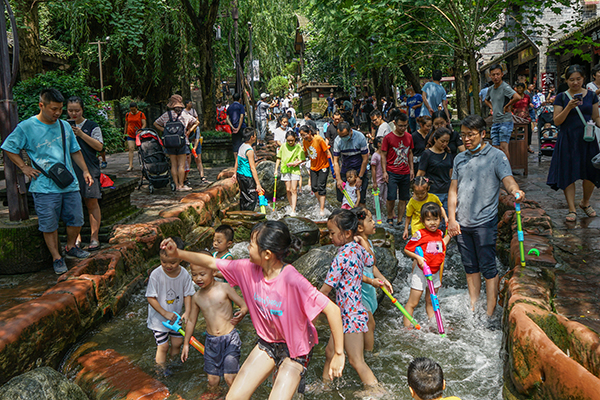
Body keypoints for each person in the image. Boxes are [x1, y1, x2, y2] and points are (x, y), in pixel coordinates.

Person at [160, 221, 345, 399]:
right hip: (267, 343)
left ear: (267, 254)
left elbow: (333, 310)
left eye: (251, 244)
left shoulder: (291, 279)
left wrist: (338, 353)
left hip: (296, 350)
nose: (248, 248)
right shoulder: (246, 269)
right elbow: (210, 263)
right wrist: (178, 253)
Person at [1, 88, 92, 274]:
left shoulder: (64, 125)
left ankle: (70, 247)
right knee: (48, 224)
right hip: (44, 186)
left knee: (76, 219)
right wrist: (24, 167)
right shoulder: (26, 127)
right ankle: (56, 257)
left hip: (69, 183)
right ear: (41, 105)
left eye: (60, 109)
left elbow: (75, 150)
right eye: (53, 109)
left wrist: (85, 171)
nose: (57, 113)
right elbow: (9, 147)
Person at [447, 115, 525, 317]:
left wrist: (515, 191)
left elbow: (508, 179)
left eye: (471, 135)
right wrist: (452, 219)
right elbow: (453, 191)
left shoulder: (497, 156)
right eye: (463, 135)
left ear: (482, 134)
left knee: (488, 266)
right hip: (461, 222)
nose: (466, 139)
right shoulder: (459, 158)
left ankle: (490, 311)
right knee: (470, 266)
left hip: (484, 221)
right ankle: (474, 306)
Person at [320, 209, 380, 391]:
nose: (330, 236)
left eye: (332, 233)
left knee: (356, 360)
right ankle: (324, 386)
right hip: (348, 312)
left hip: (350, 316)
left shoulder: (340, 257)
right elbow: (371, 261)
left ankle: (377, 392)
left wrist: (303, 304)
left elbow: (325, 290)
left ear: (346, 233)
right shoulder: (357, 249)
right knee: (330, 352)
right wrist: (362, 242)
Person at [182, 260, 248, 389]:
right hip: (211, 342)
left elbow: (244, 304)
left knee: (230, 378)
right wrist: (186, 343)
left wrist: (242, 312)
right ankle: (217, 395)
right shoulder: (196, 297)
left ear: (213, 271)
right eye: (194, 275)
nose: (198, 278)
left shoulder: (224, 288)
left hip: (230, 339)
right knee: (212, 381)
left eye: (202, 274)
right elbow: (191, 321)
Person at [547, 64, 600, 222]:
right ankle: (572, 209)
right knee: (568, 173)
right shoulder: (561, 97)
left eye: (578, 79)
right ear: (566, 80)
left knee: (591, 172)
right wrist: (568, 108)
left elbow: (596, 117)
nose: (575, 83)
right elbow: (557, 121)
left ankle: (585, 202)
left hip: (587, 139)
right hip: (568, 139)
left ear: (584, 79)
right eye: (571, 80)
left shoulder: (592, 96)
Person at [146, 237, 194, 368]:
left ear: (180, 258)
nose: (168, 266)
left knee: (177, 343)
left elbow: (188, 294)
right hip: (159, 319)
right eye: (163, 262)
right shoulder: (156, 275)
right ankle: (161, 370)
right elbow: (150, 297)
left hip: (175, 317)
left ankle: (173, 364)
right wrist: (164, 313)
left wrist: (188, 312)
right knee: (163, 346)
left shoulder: (184, 274)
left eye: (173, 262)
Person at [352, 206, 393, 351]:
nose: (374, 223)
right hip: (359, 289)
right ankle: (369, 355)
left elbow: (372, 266)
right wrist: (371, 281)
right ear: (360, 228)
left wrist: (383, 279)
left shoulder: (367, 242)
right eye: (370, 220)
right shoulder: (356, 246)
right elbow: (353, 272)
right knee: (369, 323)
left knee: (366, 323)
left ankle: (360, 351)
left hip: (368, 288)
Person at [403, 202, 451, 327]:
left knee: (431, 301)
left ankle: (434, 325)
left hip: (434, 273)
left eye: (435, 219)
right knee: (413, 302)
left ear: (440, 219)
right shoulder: (419, 234)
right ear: (422, 220)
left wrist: (450, 234)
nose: (432, 223)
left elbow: (441, 246)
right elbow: (407, 249)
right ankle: (407, 328)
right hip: (421, 272)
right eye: (428, 219)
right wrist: (418, 258)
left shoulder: (439, 234)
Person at [67, 96, 104, 252]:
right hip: (69, 170)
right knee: (73, 204)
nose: (74, 113)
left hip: (90, 168)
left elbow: (99, 147)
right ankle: (77, 238)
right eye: (70, 110)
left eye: (77, 110)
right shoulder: (63, 126)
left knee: (91, 202)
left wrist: (81, 134)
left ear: (82, 110)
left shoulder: (92, 126)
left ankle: (94, 237)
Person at [153, 94, 199, 191]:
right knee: (181, 165)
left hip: (169, 143)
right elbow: (196, 122)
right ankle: (181, 185)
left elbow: (155, 123)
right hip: (182, 142)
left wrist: (164, 130)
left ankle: (176, 184)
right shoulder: (185, 115)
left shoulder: (166, 115)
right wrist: (189, 131)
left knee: (173, 165)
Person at [381, 113, 414, 225]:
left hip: (405, 171)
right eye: (400, 125)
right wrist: (384, 171)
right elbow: (383, 155)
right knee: (391, 196)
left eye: (405, 125)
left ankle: (400, 219)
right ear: (394, 124)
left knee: (404, 197)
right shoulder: (388, 138)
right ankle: (390, 216)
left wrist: (412, 169)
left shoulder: (409, 137)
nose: (403, 128)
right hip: (392, 171)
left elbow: (410, 153)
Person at [484, 64, 521, 161]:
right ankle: (498, 171)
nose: (496, 77)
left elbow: (517, 97)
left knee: (504, 148)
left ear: (502, 74)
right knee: (495, 149)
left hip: (505, 121)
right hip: (495, 121)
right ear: (490, 76)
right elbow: (486, 100)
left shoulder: (505, 87)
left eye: (498, 74)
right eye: (493, 75)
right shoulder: (491, 89)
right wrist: (492, 108)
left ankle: (506, 172)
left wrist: (507, 106)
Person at [332, 122, 370, 207]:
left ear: (350, 131)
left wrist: (360, 177)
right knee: (343, 199)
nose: (343, 138)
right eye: (341, 136)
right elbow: (336, 161)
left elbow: (365, 159)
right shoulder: (338, 140)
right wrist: (338, 179)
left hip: (359, 169)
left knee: (361, 199)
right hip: (345, 170)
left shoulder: (360, 137)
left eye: (345, 135)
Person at [417, 128, 454, 213]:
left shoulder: (448, 154)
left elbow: (451, 173)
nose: (444, 144)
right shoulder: (427, 154)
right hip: (433, 192)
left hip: (447, 191)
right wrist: (418, 191)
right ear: (435, 139)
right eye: (442, 141)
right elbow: (420, 173)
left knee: (446, 221)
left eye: (447, 142)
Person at [300, 125, 331, 216]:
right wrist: (298, 161)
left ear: (309, 132)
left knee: (321, 187)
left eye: (304, 134)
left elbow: (327, 152)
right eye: (301, 135)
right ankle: (321, 202)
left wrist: (333, 167)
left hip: (323, 166)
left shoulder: (319, 139)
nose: (303, 137)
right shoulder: (304, 142)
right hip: (313, 167)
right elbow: (305, 153)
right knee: (314, 187)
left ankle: (321, 209)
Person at [275, 132, 305, 216]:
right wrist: (276, 169)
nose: (290, 142)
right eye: (288, 141)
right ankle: (291, 205)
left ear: (295, 139)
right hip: (285, 169)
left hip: (295, 169)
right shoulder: (283, 146)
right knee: (288, 189)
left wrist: (296, 163)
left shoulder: (298, 146)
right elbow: (278, 158)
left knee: (294, 189)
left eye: (292, 140)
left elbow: (302, 159)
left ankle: (293, 209)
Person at [234, 128, 263, 211]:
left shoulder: (242, 146)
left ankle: (243, 213)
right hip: (247, 177)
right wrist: (258, 184)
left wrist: (235, 173)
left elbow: (237, 160)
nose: (256, 136)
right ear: (252, 137)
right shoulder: (249, 150)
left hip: (240, 175)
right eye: (255, 135)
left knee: (243, 196)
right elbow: (252, 168)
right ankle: (248, 216)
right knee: (252, 199)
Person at [123, 102, 146, 171]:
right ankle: (130, 165)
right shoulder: (127, 114)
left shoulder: (141, 114)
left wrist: (141, 130)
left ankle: (143, 164)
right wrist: (125, 133)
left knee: (141, 149)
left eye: (134, 109)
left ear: (136, 108)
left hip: (139, 134)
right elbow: (126, 124)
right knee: (131, 148)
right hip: (130, 134)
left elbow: (144, 124)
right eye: (131, 110)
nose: (133, 111)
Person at [183, 100, 201, 184]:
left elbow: (197, 138)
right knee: (186, 160)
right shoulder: (183, 114)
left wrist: (195, 148)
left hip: (193, 144)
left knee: (197, 159)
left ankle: (202, 176)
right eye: (189, 103)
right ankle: (184, 179)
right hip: (186, 144)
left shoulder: (196, 128)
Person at [371, 136, 387, 215]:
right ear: (379, 144)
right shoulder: (375, 156)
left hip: (385, 180)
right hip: (378, 181)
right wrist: (374, 182)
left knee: (386, 199)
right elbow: (373, 169)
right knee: (377, 200)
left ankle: (388, 215)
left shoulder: (385, 153)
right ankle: (378, 216)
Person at [227, 93, 246, 157]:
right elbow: (241, 117)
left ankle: (236, 162)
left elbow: (227, 118)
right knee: (244, 143)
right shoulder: (241, 106)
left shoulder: (229, 107)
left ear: (232, 99)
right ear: (240, 99)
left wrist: (232, 127)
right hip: (242, 127)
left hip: (234, 128)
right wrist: (239, 127)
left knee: (235, 145)